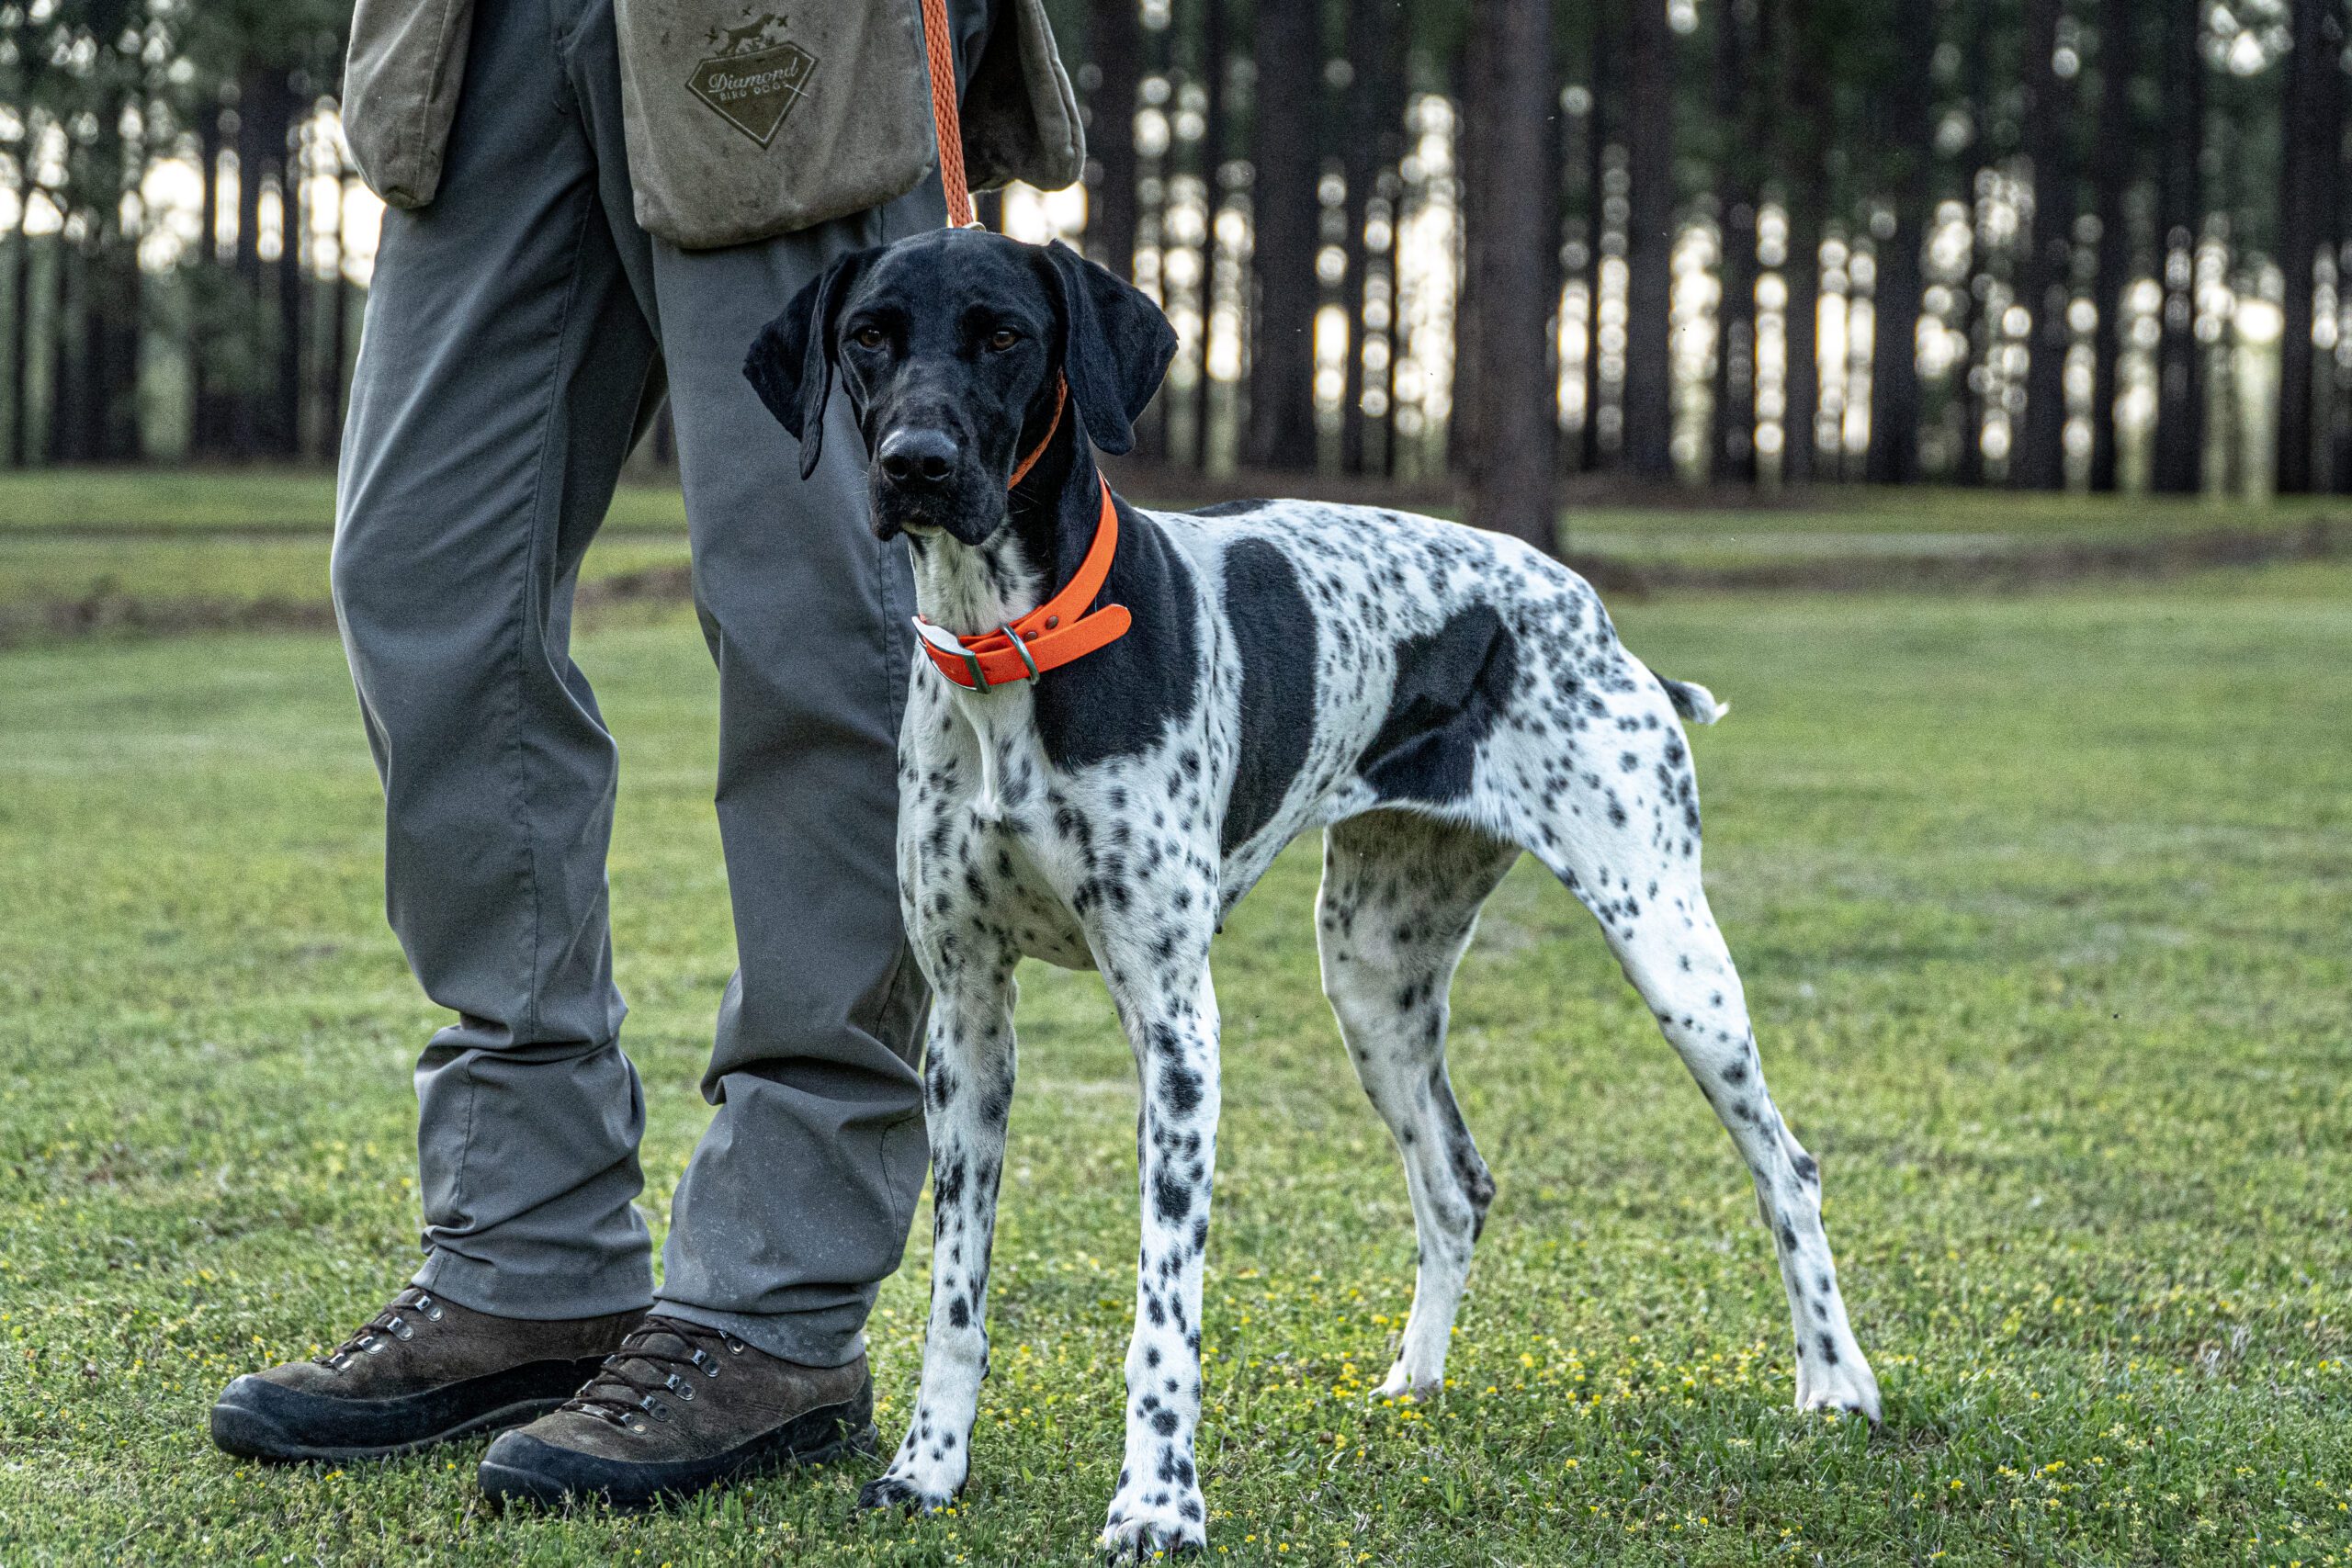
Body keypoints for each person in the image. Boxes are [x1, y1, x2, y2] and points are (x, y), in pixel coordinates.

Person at [206, 0, 1080, 1506]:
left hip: (789, 29)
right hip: (479, 32)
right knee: (425, 578)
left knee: (822, 628)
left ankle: (777, 1302)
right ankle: (528, 1255)